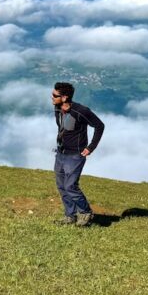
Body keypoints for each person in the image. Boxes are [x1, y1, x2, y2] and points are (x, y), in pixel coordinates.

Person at [52, 82, 104, 227]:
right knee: (61, 186)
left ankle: (86, 212)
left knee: (70, 186)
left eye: (55, 96)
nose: (52, 98)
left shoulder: (81, 111)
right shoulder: (57, 108)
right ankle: (70, 215)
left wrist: (90, 147)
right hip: (61, 153)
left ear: (64, 97)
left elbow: (99, 126)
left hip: (75, 155)